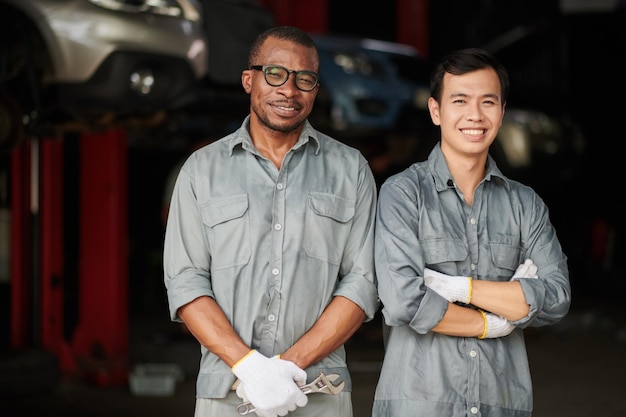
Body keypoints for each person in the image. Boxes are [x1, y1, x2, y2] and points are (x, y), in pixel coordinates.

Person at [163, 26, 379, 417]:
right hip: (226, 391)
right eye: (275, 74)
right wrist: (250, 367)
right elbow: (185, 280)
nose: (289, 90)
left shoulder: (351, 170)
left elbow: (362, 282)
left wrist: (286, 367)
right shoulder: (201, 171)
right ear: (249, 80)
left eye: (305, 79)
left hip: (318, 392)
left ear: (316, 88)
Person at [372, 48, 571, 417]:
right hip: (420, 404)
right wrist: (489, 322)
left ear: (502, 111)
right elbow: (402, 301)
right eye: (460, 100)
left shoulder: (525, 205)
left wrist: (458, 289)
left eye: (488, 102)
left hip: (502, 403)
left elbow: (557, 297)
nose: (475, 115)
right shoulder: (402, 194)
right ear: (436, 111)